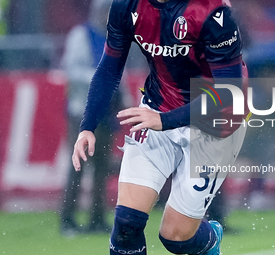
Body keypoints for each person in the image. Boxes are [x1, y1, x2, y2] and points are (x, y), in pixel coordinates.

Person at [72, 0, 249, 254]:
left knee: (176, 238)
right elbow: (110, 68)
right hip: (158, 108)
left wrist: (164, 121)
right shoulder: (125, 5)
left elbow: (229, 92)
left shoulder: (213, 10)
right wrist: (88, 126)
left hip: (215, 122)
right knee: (125, 226)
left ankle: (210, 240)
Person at [60, 0, 121, 235]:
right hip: (82, 112)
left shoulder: (114, 38)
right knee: (77, 166)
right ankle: (68, 219)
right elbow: (70, 69)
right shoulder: (81, 35)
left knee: (102, 168)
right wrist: (99, 79)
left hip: (105, 113)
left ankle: (97, 218)